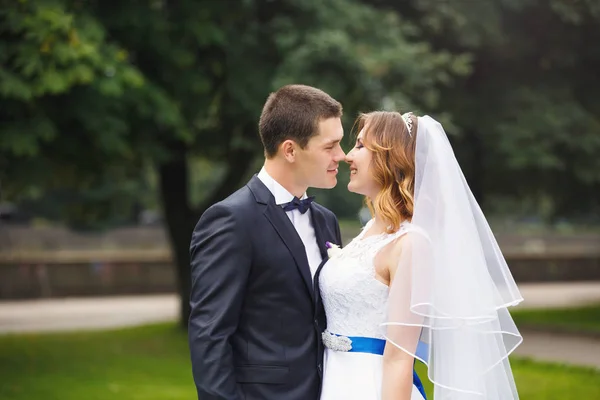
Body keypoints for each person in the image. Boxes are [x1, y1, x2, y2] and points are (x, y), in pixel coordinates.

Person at [318, 111, 523, 399]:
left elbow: (399, 358)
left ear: (392, 158)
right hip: (333, 378)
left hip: (369, 386)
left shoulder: (411, 244)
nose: (347, 156)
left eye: (361, 146)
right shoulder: (369, 233)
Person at [188, 84, 346, 400]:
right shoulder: (232, 219)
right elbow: (209, 334)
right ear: (290, 150)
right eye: (331, 146)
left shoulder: (326, 220)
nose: (341, 156)